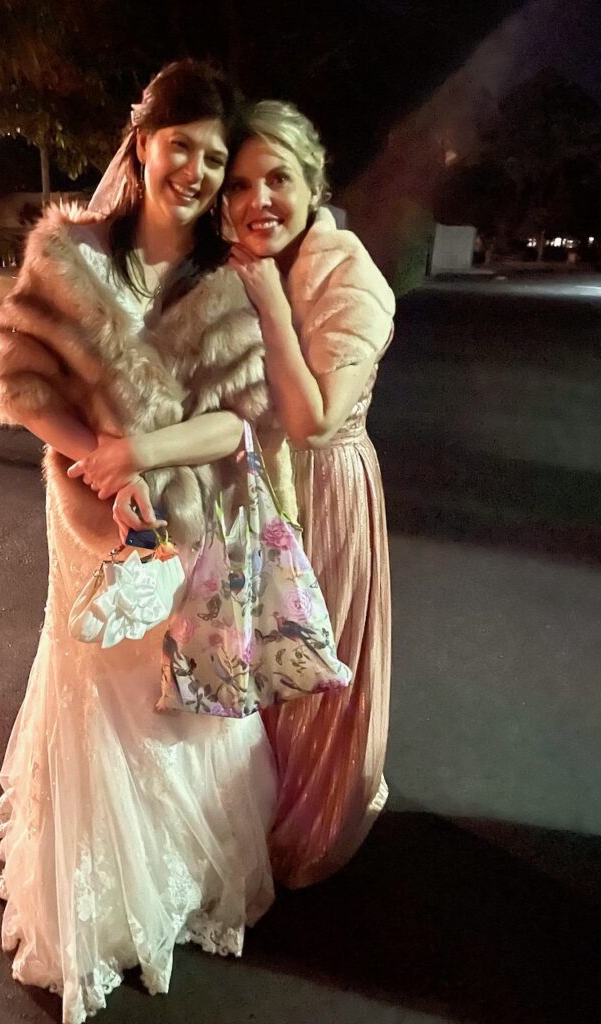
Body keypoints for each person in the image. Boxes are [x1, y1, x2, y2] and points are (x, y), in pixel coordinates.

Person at [0, 62, 290, 1021]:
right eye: (180, 147)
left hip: (185, 524)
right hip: (89, 523)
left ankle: (173, 879)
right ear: (142, 143)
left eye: (212, 155)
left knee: (174, 706)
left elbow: (239, 422)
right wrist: (101, 469)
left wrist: (142, 453)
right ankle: (101, 902)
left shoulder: (231, 288)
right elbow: (18, 381)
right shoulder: (69, 254)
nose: (195, 171)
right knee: (97, 696)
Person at [224, 100, 396, 889]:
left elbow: (316, 420)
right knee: (254, 660)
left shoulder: (346, 275)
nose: (260, 199)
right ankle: (248, 808)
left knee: (314, 659)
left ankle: (311, 824)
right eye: (242, 183)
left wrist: (266, 303)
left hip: (325, 491)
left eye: (278, 179)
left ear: (312, 181)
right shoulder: (251, 262)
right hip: (256, 490)